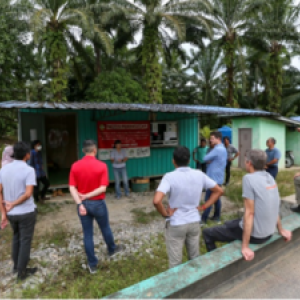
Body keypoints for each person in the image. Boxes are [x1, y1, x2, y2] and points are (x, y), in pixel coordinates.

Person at [202, 149, 292, 261]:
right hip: (269, 232)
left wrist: (245, 246)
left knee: (208, 233)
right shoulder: (270, 177)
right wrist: (281, 229)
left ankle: (215, 262)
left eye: (245, 161)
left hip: (257, 236)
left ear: (249, 163)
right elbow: (274, 205)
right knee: (230, 223)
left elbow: (249, 213)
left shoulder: (248, 179)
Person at [153, 146, 223, 268]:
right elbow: (218, 191)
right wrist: (204, 206)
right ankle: (196, 284)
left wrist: (165, 214)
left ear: (173, 161)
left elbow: (156, 201)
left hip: (176, 223)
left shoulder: (169, 177)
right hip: (194, 221)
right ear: (189, 160)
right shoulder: (199, 174)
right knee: (195, 259)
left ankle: (178, 285)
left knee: (175, 263)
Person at [69, 140, 125, 274]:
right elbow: (103, 188)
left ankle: (92, 265)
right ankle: (112, 249)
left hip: (82, 205)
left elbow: (72, 187)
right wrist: (88, 196)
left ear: (83, 151)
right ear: (95, 150)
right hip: (98, 203)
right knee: (105, 227)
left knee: (87, 234)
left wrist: (80, 203)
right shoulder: (102, 165)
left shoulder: (75, 166)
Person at [0, 142, 38, 280]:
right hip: (26, 212)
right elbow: (28, 194)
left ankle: (16, 267)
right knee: (25, 241)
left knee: (16, 238)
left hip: (11, 214)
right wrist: (14, 204)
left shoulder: (3, 170)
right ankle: (22, 273)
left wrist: (4, 212)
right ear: (27, 154)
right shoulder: (29, 170)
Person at [201, 132, 227, 224]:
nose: (210, 140)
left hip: (213, 178)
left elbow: (205, 158)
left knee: (209, 199)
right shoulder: (223, 148)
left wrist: (210, 160)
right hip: (218, 177)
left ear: (218, 138)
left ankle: (203, 219)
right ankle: (217, 217)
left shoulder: (217, 149)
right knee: (216, 198)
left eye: (212, 138)